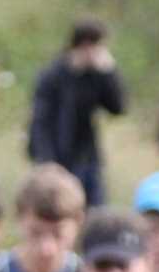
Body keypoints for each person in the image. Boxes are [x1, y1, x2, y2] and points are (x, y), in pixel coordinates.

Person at [28, 20, 128, 208]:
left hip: (87, 157)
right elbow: (40, 121)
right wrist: (45, 161)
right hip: (57, 156)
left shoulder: (96, 76)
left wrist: (109, 73)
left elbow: (118, 108)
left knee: (95, 210)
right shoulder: (53, 76)